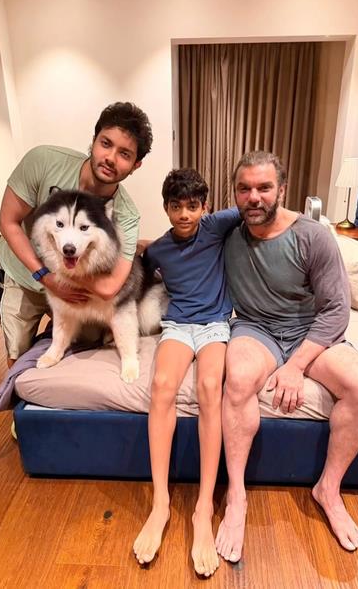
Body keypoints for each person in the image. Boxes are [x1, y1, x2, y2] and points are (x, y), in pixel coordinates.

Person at [215, 150, 358, 562]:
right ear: (234, 193)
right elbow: (175, 240)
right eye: (244, 189)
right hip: (255, 328)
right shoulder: (227, 231)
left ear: (282, 190)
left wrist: (295, 366)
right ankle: (236, 496)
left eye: (264, 188)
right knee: (238, 380)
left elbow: (336, 310)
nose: (254, 197)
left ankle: (329, 489)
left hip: (310, 330)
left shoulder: (313, 235)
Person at [133, 168, 240, 577]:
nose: (184, 214)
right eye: (176, 206)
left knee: (211, 386)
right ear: (165, 208)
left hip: (215, 324)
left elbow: (254, 207)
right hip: (178, 324)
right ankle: (160, 503)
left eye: (192, 206)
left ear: (205, 207)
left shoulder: (215, 227)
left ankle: (202, 508)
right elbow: (140, 266)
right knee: (162, 386)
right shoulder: (159, 249)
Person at [0, 102, 153, 367]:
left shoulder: (126, 215)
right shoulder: (43, 161)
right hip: (24, 272)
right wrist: (46, 277)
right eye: (106, 143)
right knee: (17, 353)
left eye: (124, 154)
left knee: (86, 340)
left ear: (135, 165)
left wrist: (64, 281)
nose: (110, 158)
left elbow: (111, 287)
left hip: (79, 288)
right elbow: (8, 222)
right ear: (94, 140)